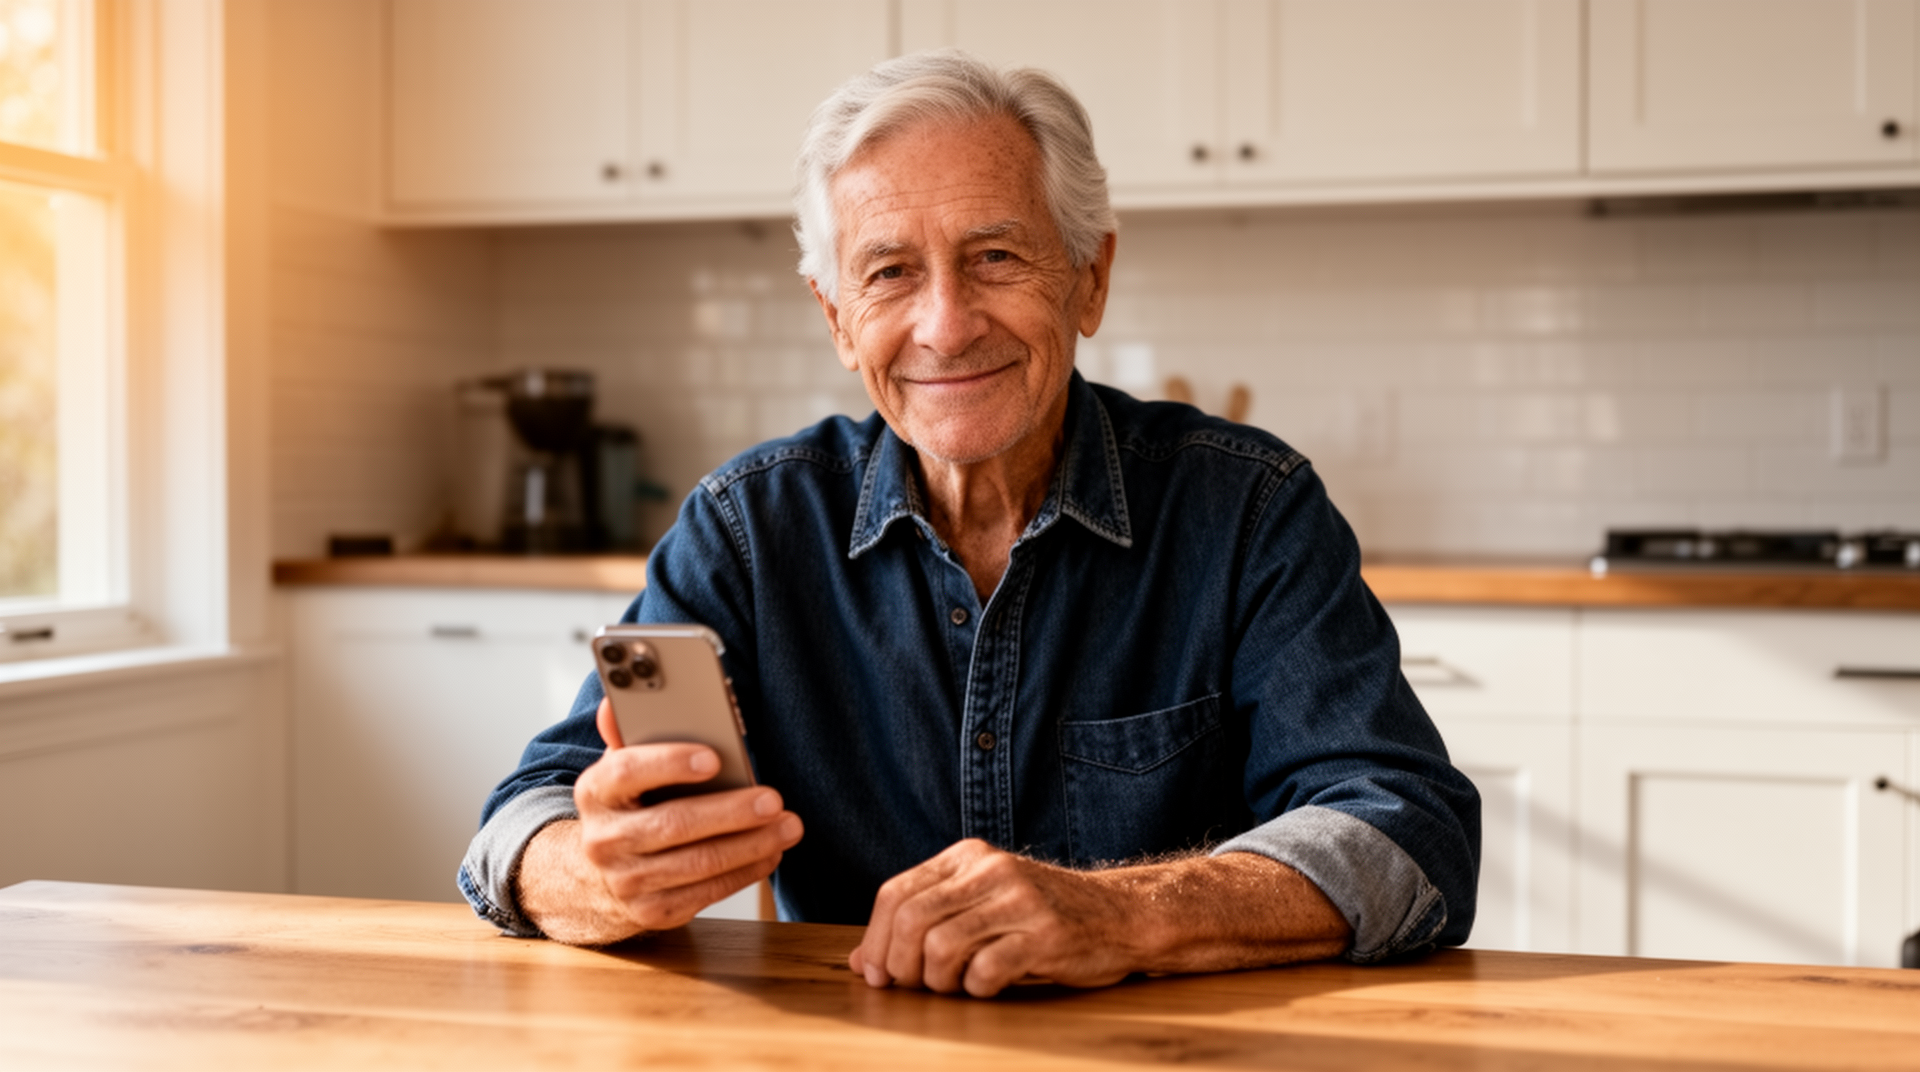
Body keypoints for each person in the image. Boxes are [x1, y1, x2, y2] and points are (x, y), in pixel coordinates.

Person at [459, 49, 1479, 999]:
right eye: (891, 271)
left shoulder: (1248, 507)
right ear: (836, 317)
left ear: (1090, 276)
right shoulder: (748, 529)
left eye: (995, 256)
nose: (946, 324)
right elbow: (518, 823)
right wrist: (590, 874)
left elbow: (1411, 832)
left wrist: (1122, 913)